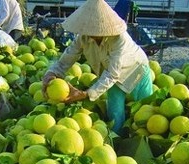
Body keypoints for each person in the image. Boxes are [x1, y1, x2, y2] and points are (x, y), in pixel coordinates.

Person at [42, 0, 153, 134]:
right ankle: (117, 141)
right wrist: (52, 73)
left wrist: (86, 94)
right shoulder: (83, 38)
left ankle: (147, 139)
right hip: (111, 75)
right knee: (115, 112)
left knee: (147, 109)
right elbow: (67, 59)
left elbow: (113, 74)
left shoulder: (119, 39)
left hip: (136, 68)